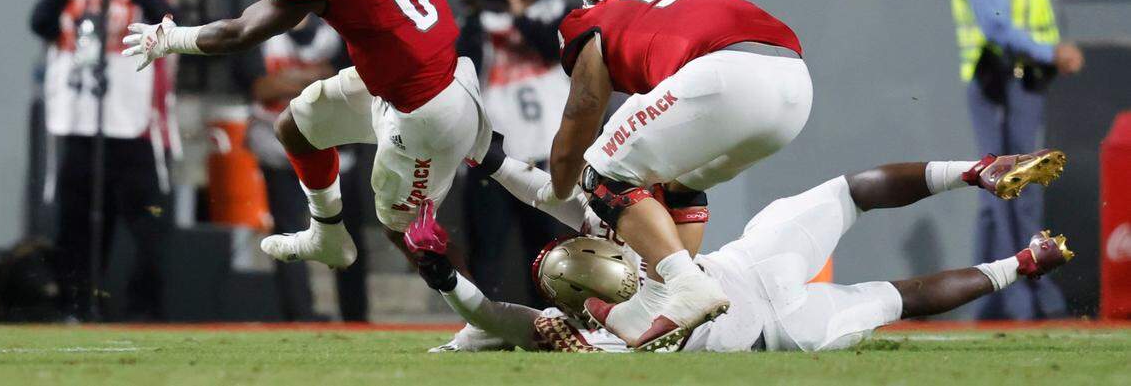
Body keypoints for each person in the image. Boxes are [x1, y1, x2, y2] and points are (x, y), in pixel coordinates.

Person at [121, 0, 491, 270]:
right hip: (423, 80)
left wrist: (171, 39)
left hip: (424, 105)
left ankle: (482, 314)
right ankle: (326, 232)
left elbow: (241, 31)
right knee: (295, 125)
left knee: (404, 230)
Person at [406, 144, 1073, 353]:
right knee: (853, 203)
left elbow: (492, 315)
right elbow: (493, 318)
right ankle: (977, 177)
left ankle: (1021, 258)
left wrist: (443, 273)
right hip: (759, 285)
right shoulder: (598, 309)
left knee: (897, 292)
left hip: (762, 306)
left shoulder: (580, 327)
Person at [546, 0, 811, 348]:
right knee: (678, 182)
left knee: (601, 174)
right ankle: (653, 304)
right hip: (795, 87)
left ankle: (689, 285)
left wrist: (562, 185)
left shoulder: (595, 15)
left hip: (726, 78)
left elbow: (584, 106)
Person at [946, 0, 1084, 320]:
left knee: (1007, 188)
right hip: (1001, 79)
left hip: (1020, 80)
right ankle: (1021, 302)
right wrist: (1050, 50)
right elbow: (995, 24)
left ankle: (1003, 300)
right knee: (1011, 186)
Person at [29, 0, 175, 319]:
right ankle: (77, 308)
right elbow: (39, 24)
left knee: (150, 229)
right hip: (77, 125)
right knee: (77, 229)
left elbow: (169, 24)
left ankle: (144, 313)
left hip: (133, 129)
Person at [456, 0, 572, 305]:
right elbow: (460, 69)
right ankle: (487, 329)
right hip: (494, 158)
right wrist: (476, 4)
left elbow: (550, 47)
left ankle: (553, 327)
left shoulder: (562, 12)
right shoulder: (481, 23)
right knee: (486, 252)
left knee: (550, 257)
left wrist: (515, 8)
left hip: (549, 158)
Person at [234, 16, 370, 321]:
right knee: (288, 234)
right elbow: (261, 87)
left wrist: (288, 79)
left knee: (348, 236)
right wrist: (314, 80)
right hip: (278, 149)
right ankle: (299, 315)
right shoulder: (259, 31)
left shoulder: (336, 31)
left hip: (334, 147)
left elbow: (353, 80)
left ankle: (356, 316)